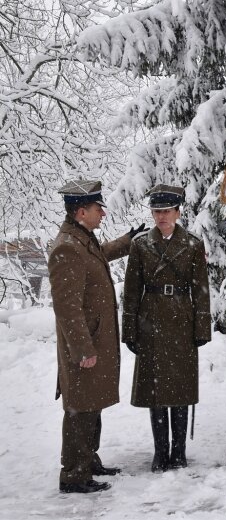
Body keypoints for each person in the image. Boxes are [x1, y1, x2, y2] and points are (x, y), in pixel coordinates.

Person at [49, 179, 143, 493]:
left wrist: (127, 241)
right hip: (84, 345)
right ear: (80, 211)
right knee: (80, 409)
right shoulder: (66, 246)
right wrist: (82, 349)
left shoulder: (80, 239)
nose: (102, 213)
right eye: (97, 208)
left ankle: (88, 460)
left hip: (93, 339)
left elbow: (98, 255)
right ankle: (74, 475)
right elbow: (67, 308)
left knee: (91, 405)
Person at [122, 185, 211, 471]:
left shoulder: (194, 244)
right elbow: (132, 291)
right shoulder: (140, 244)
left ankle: (179, 451)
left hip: (182, 320)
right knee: (156, 392)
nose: (160, 217)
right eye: (156, 211)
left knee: (181, 390)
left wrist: (202, 328)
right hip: (151, 320)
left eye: (166, 211)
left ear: (177, 212)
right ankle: (160, 452)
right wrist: (130, 330)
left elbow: (201, 290)